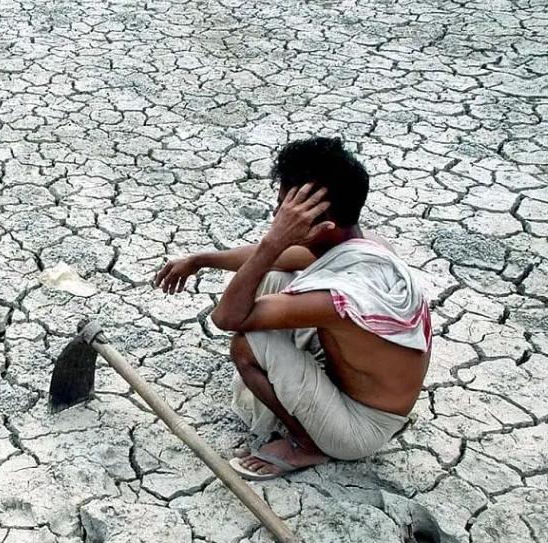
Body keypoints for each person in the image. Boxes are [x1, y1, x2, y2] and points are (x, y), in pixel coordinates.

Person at [153, 137, 431, 480]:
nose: (276, 215)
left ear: (322, 221)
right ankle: (305, 413)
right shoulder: (360, 244)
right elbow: (278, 260)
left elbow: (226, 317)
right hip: (359, 387)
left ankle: (306, 445)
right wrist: (200, 260)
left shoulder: (338, 298)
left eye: (285, 208)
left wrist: (275, 238)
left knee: (247, 345)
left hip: (359, 428)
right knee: (275, 278)